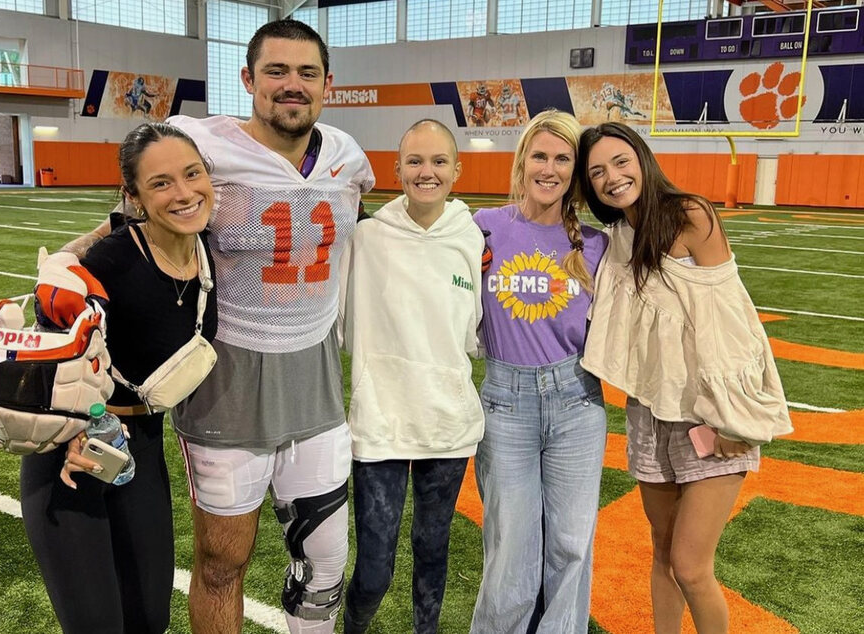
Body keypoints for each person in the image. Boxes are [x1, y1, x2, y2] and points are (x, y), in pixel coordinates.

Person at [55, 19, 374, 634]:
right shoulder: (198, 144)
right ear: (247, 78)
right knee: (223, 564)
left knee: (326, 564)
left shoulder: (347, 155)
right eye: (276, 71)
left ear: (327, 84)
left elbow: (370, 216)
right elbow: (126, 232)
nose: (292, 85)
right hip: (225, 383)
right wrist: (63, 272)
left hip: (317, 381)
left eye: (307, 73)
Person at [577, 122, 792, 634]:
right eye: (598, 172)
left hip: (708, 413)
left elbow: (731, 323)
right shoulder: (616, 238)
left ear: (643, 160)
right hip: (650, 414)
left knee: (693, 568)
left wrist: (732, 417)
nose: (613, 177)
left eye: (621, 161)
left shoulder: (690, 215)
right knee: (662, 554)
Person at [21, 122, 218, 633]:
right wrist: (68, 433)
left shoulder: (213, 249)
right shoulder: (110, 260)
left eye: (192, 173)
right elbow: (43, 356)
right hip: (73, 457)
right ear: (132, 195)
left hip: (142, 451)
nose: (183, 193)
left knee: (149, 621)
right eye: (160, 183)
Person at [339, 119, 484, 634]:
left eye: (439, 161)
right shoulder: (367, 238)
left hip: (447, 427)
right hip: (380, 426)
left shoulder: (471, 237)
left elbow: (477, 332)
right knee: (374, 570)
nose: (427, 172)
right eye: (416, 162)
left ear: (457, 170)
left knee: (432, 551)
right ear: (396, 169)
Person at [469, 109, 609, 634]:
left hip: (577, 401)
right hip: (505, 403)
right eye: (540, 155)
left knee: (572, 545)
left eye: (563, 159)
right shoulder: (482, 229)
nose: (549, 168)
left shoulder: (595, 246)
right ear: (523, 161)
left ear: (575, 171)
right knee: (512, 545)